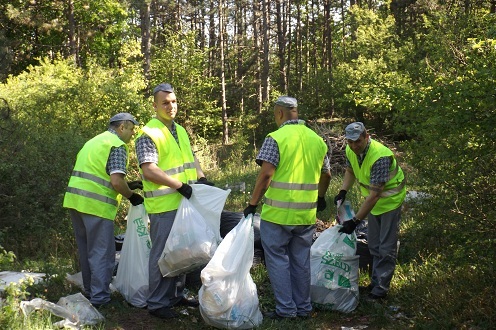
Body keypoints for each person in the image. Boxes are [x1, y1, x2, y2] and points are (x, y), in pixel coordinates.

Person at [243, 96, 331, 319]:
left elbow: (266, 174)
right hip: (306, 215)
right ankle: (303, 308)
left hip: (278, 215)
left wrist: (252, 203)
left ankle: (286, 309)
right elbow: (326, 174)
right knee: (301, 261)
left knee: (278, 260)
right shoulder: (317, 140)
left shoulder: (276, 138)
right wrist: (320, 197)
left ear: (280, 113)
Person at [135, 83, 213, 319]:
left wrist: (202, 177)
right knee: (162, 255)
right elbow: (149, 170)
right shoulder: (149, 133)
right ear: (155, 105)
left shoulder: (178, 129)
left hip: (184, 203)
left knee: (181, 252)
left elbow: (191, 158)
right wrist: (179, 186)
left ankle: (175, 296)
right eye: (165, 103)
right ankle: (157, 303)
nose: (171, 106)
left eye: (174, 102)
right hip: (165, 205)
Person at [63, 112, 144, 308]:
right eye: (132, 129)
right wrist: (132, 196)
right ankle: (100, 299)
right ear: (122, 127)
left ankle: (91, 291)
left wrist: (129, 184)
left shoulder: (94, 141)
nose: (133, 134)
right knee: (102, 253)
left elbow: (98, 173)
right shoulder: (116, 145)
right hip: (96, 205)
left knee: (86, 251)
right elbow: (116, 181)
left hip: (76, 202)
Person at [334, 122, 406, 300]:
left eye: (357, 141)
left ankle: (380, 291)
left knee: (386, 247)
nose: (353, 146)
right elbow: (350, 170)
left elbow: (374, 195)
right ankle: (375, 284)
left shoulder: (380, 157)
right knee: (374, 244)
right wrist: (343, 190)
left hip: (390, 202)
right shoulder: (351, 150)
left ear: (367, 137)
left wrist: (355, 221)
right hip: (374, 204)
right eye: (350, 142)